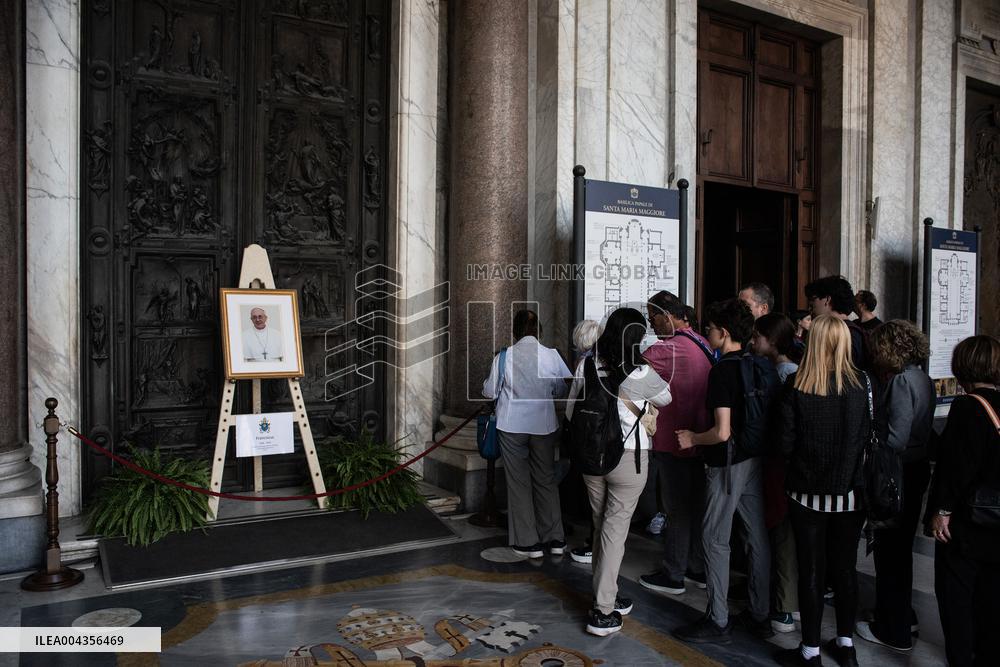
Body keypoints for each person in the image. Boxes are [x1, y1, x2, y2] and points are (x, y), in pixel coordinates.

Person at [567, 307, 672, 636]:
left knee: (602, 529)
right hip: (629, 459)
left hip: (591, 459)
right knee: (613, 533)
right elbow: (667, 398)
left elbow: (571, 411)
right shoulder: (641, 373)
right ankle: (602, 610)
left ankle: (605, 592)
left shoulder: (587, 365)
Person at [674, 298, 773, 644]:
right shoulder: (759, 364)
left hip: (727, 463)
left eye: (712, 329)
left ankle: (717, 618)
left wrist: (691, 438)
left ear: (724, 333)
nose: (707, 333)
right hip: (754, 459)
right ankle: (761, 613)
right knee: (756, 535)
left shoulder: (723, 371)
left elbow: (721, 431)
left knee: (715, 538)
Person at [775, 315, 870, 667]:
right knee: (845, 570)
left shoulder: (796, 385)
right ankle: (845, 645)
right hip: (850, 493)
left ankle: (810, 650)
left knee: (810, 570)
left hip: (805, 492)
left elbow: (785, 444)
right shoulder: (863, 384)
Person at [856, 320, 935, 651]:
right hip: (914, 470)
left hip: (898, 472)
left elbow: (896, 437)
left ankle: (894, 627)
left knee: (891, 553)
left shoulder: (902, 381)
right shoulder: (922, 376)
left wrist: (870, 450)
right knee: (899, 551)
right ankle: (902, 614)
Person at [924, 335, 1000, 667]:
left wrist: (942, 510)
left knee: (957, 602)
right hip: (997, 521)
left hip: (969, 521)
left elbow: (957, 466)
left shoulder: (968, 406)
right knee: (992, 601)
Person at [638, 291, 712, 596]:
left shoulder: (666, 349)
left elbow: (628, 370)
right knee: (695, 507)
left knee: (676, 509)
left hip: (673, 440)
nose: (651, 325)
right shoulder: (702, 342)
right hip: (701, 439)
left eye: (652, 317)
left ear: (667, 314)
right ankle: (696, 567)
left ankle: (673, 573)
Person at [482, 310, 571, 559]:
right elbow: (561, 387)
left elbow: (490, 391)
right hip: (543, 424)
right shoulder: (551, 356)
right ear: (538, 331)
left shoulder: (504, 357)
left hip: (512, 424)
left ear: (515, 330)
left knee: (519, 483)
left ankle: (527, 543)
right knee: (546, 479)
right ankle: (555, 539)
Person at [751, 313, 800, 634]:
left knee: (781, 533)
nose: (753, 342)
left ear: (772, 341)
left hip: (779, 463)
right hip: (782, 463)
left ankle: (784, 606)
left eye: (758, 337)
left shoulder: (784, 374)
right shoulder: (788, 370)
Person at [566, 319, 601, 565]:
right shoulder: (614, 360)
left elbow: (571, 405)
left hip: (589, 437)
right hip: (612, 437)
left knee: (595, 497)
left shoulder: (584, 364)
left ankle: (594, 544)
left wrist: (571, 426)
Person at [805, 276, 868, 371]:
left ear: (827, 300)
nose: (810, 308)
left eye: (813, 300)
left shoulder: (851, 334)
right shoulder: (851, 332)